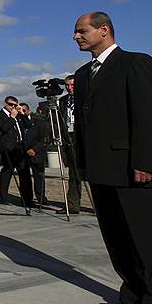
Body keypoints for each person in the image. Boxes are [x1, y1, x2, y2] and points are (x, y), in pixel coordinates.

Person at [73, 11, 152, 304]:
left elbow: (149, 115)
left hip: (133, 169)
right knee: (117, 239)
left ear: (104, 30)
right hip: (101, 170)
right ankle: (132, 295)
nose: (76, 37)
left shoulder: (135, 63)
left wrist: (145, 162)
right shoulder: (83, 74)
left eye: (82, 31)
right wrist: (82, 164)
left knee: (147, 239)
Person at [0, 95, 32, 206]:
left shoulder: (18, 115)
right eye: (10, 104)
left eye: (15, 105)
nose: (12, 107)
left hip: (20, 148)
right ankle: (2, 197)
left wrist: (22, 114)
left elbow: (28, 125)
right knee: (7, 172)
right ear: (5, 103)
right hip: (8, 148)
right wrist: (12, 117)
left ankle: (27, 200)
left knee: (24, 173)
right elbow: (3, 128)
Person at [56, 75, 82, 214]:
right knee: (73, 173)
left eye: (72, 85)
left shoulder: (84, 97)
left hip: (82, 136)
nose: (69, 88)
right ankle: (72, 204)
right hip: (68, 136)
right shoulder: (63, 100)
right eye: (67, 85)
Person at [19, 102, 48, 207]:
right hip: (23, 154)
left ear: (28, 111)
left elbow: (44, 138)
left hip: (36, 153)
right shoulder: (18, 123)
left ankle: (41, 198)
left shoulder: (39, 123)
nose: (22, 113)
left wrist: (35, 149)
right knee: (24, 177)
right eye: (20, 111)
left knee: (38, 176)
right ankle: (26, 199)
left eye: (24, 110)